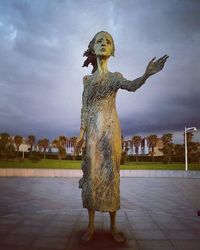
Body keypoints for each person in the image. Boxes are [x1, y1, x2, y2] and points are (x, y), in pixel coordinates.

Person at [76, 31, 168, 242]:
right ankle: (90, 226)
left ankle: (113, 227)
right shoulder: (87, 80)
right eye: (100, 41)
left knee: (111, 176)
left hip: (110, 131)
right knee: (92, 176)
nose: (104, 44)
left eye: (108, 42)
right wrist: (81, 133)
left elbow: (132, 86)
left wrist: (147, 74)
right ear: (92, 47)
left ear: (113, 50)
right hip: (93, 132)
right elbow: (85, 107)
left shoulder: (115, 77)